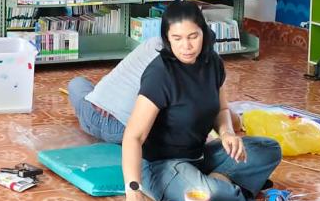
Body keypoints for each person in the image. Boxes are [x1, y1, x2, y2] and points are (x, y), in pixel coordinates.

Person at [122, 1, 282, 201]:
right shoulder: (160, 75)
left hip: (199, 155)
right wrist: (133, 190)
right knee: (207, 195)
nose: (186, 46)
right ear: (167, 38)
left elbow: (221, 109)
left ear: (203, 33)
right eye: (177, 38)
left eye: (193, 36)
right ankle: (226, 190)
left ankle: (220, 185)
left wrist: (227, 132)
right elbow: (133, 137)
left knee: (269, 149)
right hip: (162, 166)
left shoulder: (212, 62)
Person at [67, 36, 243, 145]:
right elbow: (220, 114)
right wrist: (234, 123)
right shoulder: (196, 66)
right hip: (126, 129)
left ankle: (99, 99)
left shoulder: (155, 44)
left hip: (103, 117)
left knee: (77, 83)